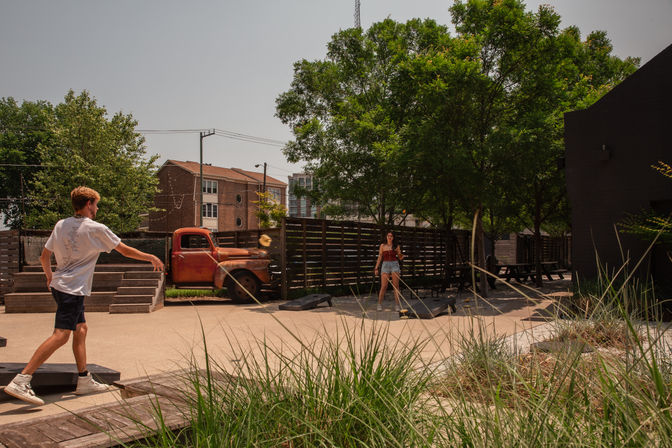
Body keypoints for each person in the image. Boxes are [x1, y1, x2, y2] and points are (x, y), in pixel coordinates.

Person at [4, 186, 164, 406]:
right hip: (72, 289)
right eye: (96, 204)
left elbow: (44, 256)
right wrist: (151, 257)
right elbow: (124, 250)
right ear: (88, 204)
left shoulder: (61, 224)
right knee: (61, 335)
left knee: (81, 329)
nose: (97, 208)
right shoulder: (95, 228)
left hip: (61, 286)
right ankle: (22, 379)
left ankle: (83, 380)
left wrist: (49, 277)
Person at [373, 231, 404, 311]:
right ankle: (379, 304)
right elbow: (380, 257)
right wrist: (376, 268)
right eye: (388, 236)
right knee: (384, 286)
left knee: (396, 286)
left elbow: (400, 257)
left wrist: (401, 256)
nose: (389, 237)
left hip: (394, 265)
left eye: (391, 236)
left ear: (393, 238)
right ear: (386, 237)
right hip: (385, 265)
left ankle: (397, 305)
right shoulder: (382, 246)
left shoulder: (396, 246)